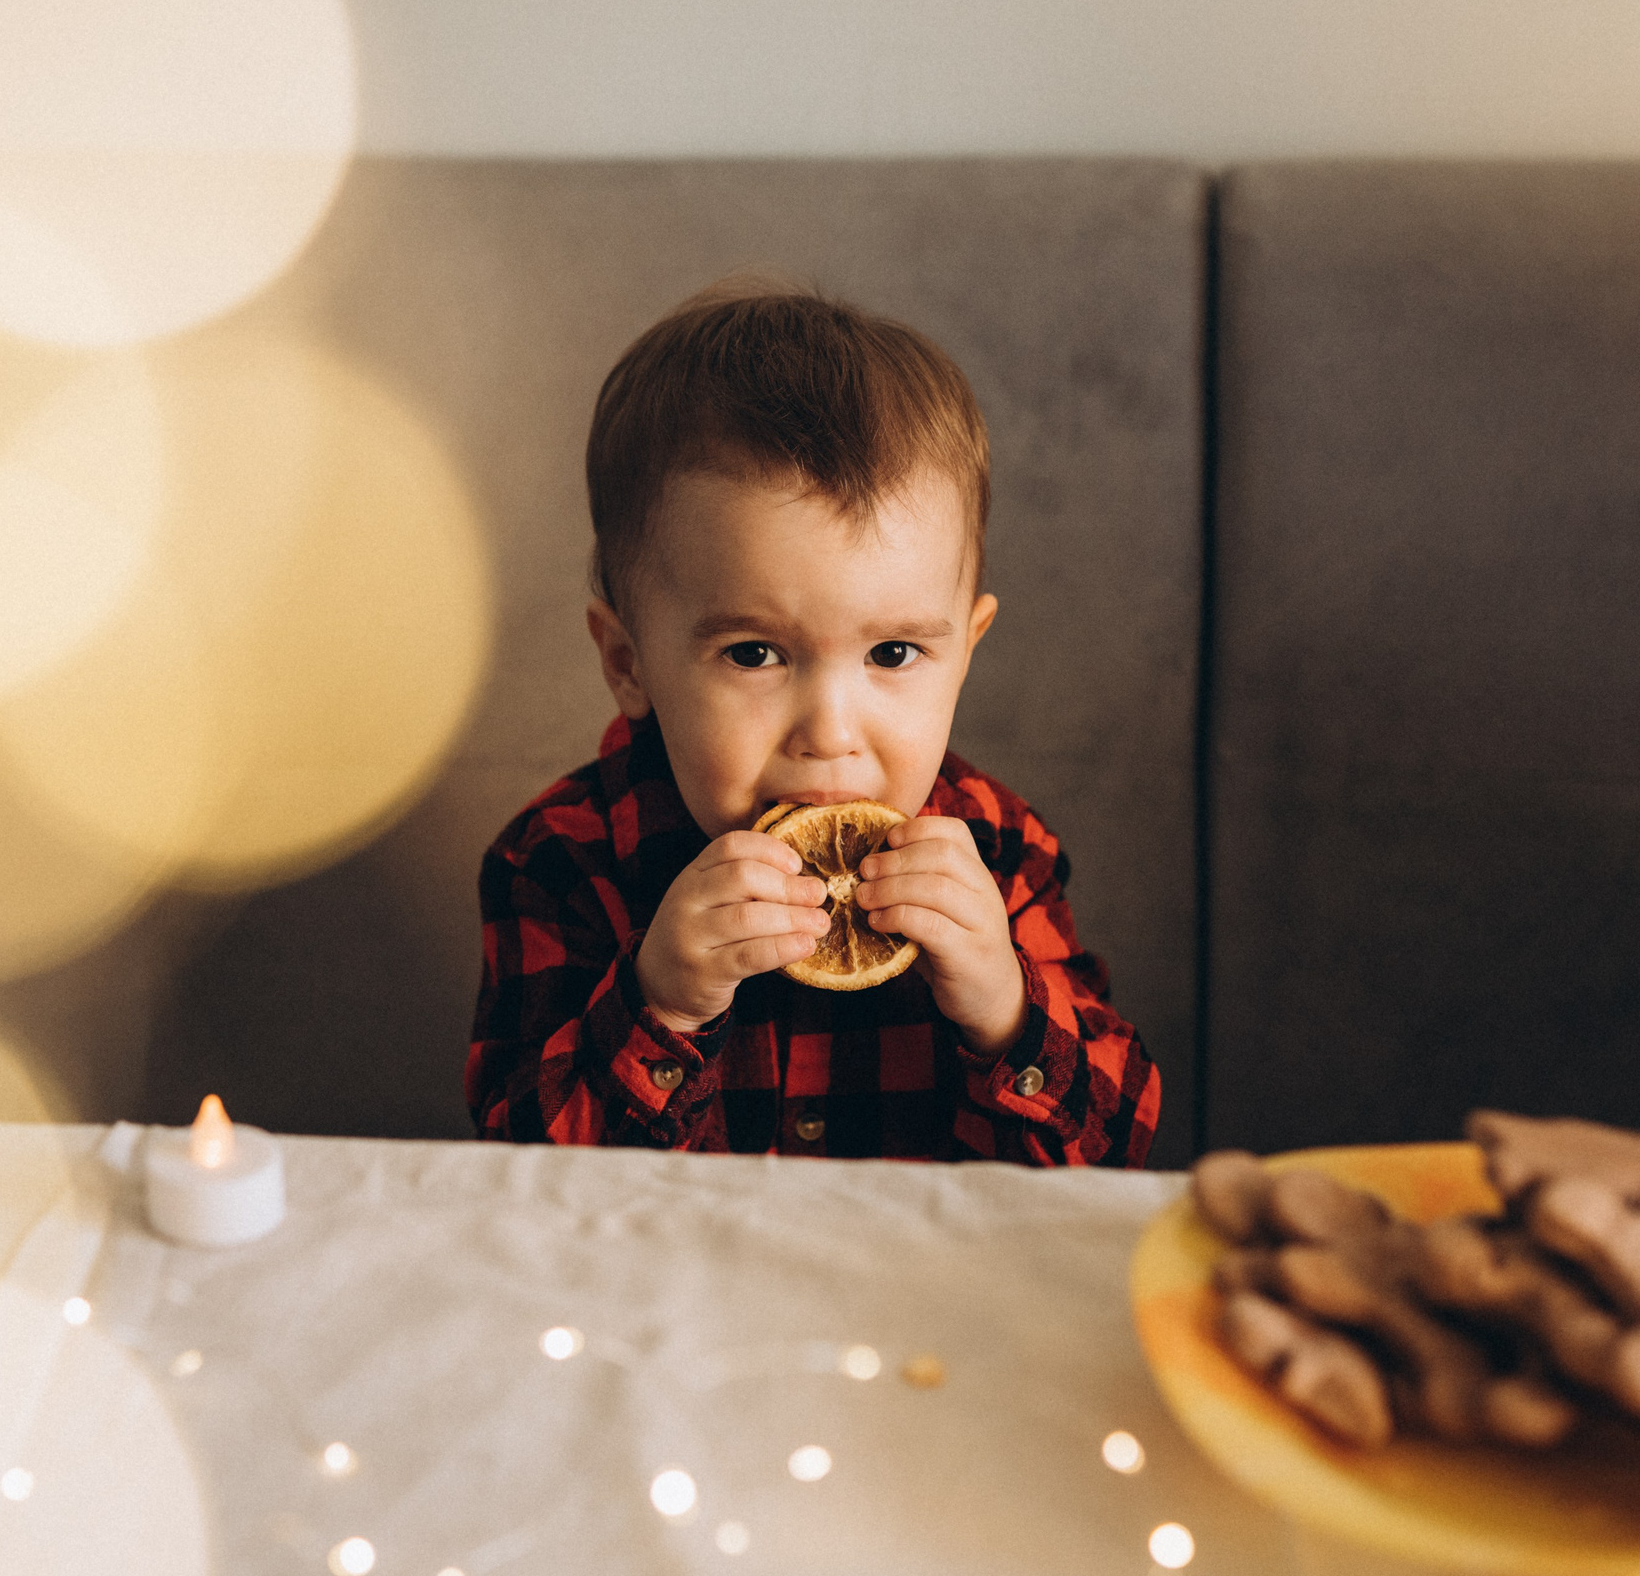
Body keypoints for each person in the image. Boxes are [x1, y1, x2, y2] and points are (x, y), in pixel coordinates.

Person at [465, 282, 1158, 1164]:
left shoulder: (999, 852)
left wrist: (1004, 1009)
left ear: (967, 649)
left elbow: (1122, 1154)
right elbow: (510, 1177)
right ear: (628, 661)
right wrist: (660, 1005)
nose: (830, 733)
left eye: (895, 654)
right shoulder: (561, 860)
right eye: (756, 654)